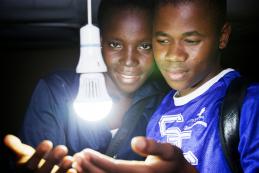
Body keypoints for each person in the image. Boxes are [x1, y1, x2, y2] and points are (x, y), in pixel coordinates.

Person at [69, 0, 259, 173]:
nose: (174, 55)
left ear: (223, 36)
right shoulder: (160, 111)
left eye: (191, 41)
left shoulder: (250, 103)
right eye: (162, 41)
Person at [3, 0, 169, 172]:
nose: (129, 61)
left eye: (144, 46)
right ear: (98, 42)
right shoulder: (57, 90)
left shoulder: (165, 102)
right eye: (115, 44)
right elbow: (37, 159)